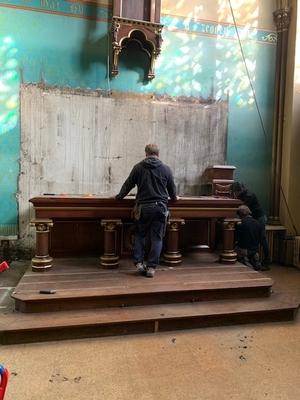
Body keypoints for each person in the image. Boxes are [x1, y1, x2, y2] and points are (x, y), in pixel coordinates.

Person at [115, 144, 177, 278]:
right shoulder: (166, 169)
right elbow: (172, 191)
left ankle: (138, 263)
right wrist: (174, 198)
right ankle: (151, 268)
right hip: (160, 208)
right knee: (157, 238)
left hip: (143, 208)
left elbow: (128, 185)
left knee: (140, 235)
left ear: (146, 154)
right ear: (158, 154)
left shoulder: (138, 167)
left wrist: (119, 197)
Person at [232, 182, 270, 268]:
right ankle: (254, 258)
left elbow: (243, 209)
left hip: (259, 217)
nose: (235, 194)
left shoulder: (249, 195)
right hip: (253, 218)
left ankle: (267, 261)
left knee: (262, 239)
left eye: (236, 192)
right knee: (254, 238)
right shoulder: (242, 195)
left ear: (240, 190)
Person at [236, 205, 268, 271]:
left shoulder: (240, 224)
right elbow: (262, 238)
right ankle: (256, 263)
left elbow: (237, 238)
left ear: (240, 214)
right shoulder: (258, 223)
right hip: (255, 250)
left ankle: (247, 264)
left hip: (244, 250)